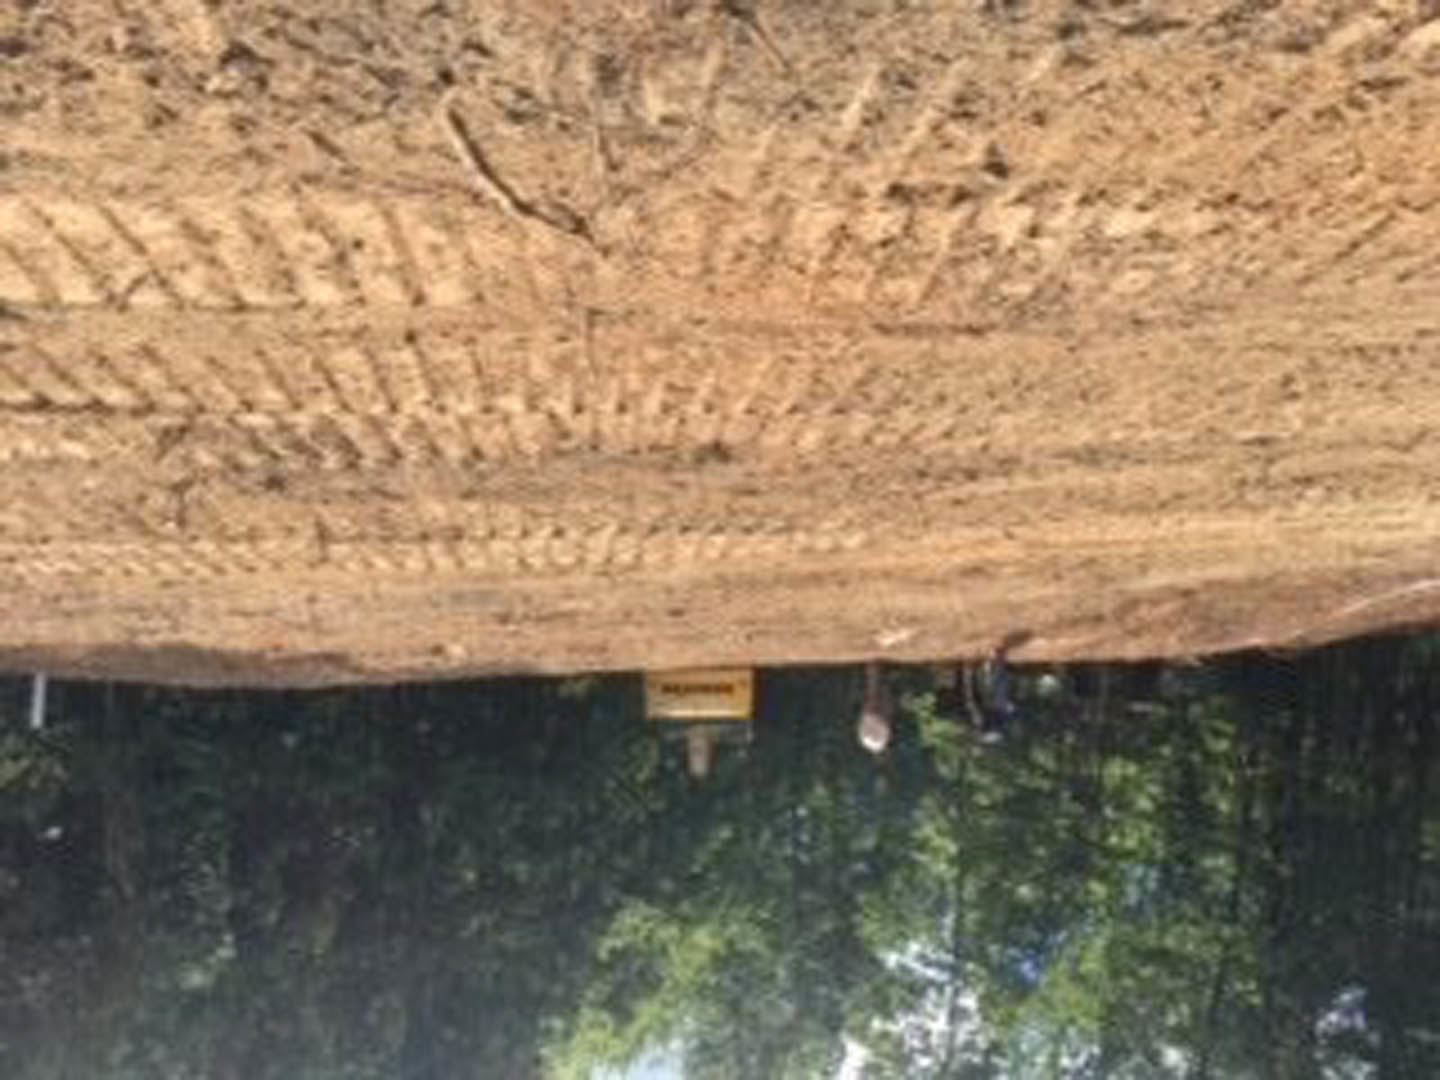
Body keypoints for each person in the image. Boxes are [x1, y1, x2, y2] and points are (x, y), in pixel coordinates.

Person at [857, 660, 892, 753]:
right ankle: (875, 669)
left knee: (873, 692)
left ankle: (874, 669)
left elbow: (885, 729)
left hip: (874, 720)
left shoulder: (877, 744)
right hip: (872, 720)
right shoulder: (871, 743)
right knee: (873, 692)